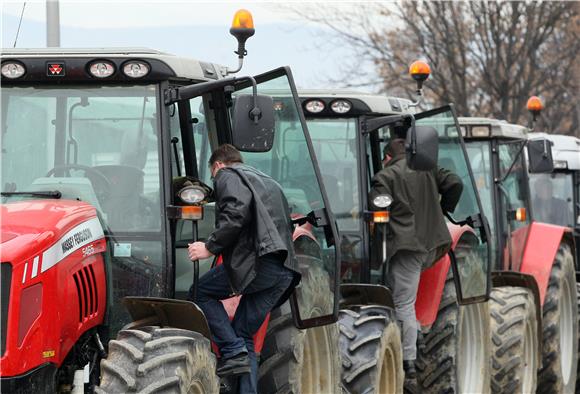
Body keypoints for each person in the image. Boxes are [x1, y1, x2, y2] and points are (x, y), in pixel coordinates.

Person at [187, 144, 300, 394]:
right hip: (283, 272)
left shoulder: (228, 175)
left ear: (217, 166)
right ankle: (239, 363)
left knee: (200, 292)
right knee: (243, 335)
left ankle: (231, 349)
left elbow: (236, 212)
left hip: (258, 265)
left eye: (213, 176)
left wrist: (210, 247)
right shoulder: (266, 181)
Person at [369, 137, 463, 380]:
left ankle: (408, 359)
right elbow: (454, 182)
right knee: (404, 297)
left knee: (402, 303)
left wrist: (376, 253)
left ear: (387, 157)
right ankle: (416, 339)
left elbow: (379, 213)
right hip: (430, 245)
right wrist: (442, 210)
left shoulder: (385, 177)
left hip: (406, 248)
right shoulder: (427, 167)